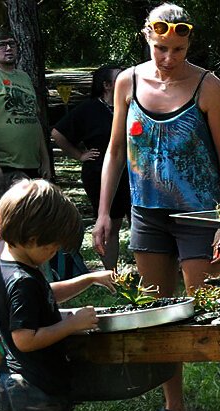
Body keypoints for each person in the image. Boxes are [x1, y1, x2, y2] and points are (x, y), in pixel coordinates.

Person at [91, 3, 220, 411]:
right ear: (147, 37)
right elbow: (114, 150)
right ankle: (174, 407)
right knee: (156, 313)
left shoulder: (208, 86)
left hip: (200, 214)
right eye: (162, 47)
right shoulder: (127, 82)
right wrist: (104, 214)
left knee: (209, 312)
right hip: (146, 214)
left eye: (179, 49)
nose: (169, 57)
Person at [0, 180, 115, 411]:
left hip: (11, 385)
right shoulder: (22, 282)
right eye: (52, 246)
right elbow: (25, 339)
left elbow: (45, 295)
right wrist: (72, 324)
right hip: (38, 391)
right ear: (32, 238)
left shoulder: (11, 267)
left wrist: (88, 279)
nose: (55, 251)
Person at [0, 26, 52, 255]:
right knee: (9, 221)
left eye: (12, 43)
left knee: (33, 219)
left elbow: (34, 121)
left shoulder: (23, 77)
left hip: (30, 162)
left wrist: (44, 160)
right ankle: (7, 274)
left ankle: (31, 270)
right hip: (3, 164)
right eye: (1, 44)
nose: (8, 48)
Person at [52, 65, 132, 270]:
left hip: (134, 172)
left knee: (139, 223)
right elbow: (57, 133)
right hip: (100, 174)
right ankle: (111, 274)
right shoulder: (89, 109)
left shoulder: (133, 104)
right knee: (110, 225)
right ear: (106, 85)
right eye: (120, 78)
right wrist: (79, 155)